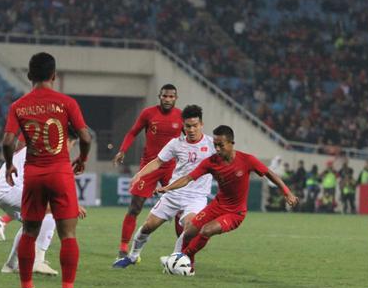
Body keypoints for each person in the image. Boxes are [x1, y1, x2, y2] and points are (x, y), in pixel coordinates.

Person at [2, 52, 91, 288]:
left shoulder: (18, 106)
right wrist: (82, 160)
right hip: (60, 171)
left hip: (34, 173)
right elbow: (85, 137)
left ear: (30, 76)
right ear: (54, 76)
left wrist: (9, 165)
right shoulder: (67, 102)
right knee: (68, 234)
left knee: (30, 231)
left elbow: (8, 141)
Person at [156, 125, 299, 275]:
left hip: (235, 213)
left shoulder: (247, 160)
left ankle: (181, 259)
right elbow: (187, 178)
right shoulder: (210, 162)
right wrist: (167, 188)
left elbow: (269, 173)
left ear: (231, 143)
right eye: (215, 145)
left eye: (221, 145)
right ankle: (188, 265)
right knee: (190, 231)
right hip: (217, 205)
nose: (217, 149)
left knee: (207, 230)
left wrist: (287, 192)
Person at [112, 104, 215, 268]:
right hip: (173, 194)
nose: (191, 130)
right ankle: (132, 256)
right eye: (188, 126)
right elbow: (158, 161)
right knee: (147, 227)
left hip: (196, 198)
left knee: (190, 227)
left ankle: (175, 259)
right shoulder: (176, 143)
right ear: (183, 126)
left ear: (201, 125)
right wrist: (139, 174)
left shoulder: (212, 144)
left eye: (195, 126)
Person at [0, 131, 86, 276]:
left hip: (0, 189)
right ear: (67, 141)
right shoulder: (52, 152)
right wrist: (71, 205)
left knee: (30, 224)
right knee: (52, 211)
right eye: (72, 144)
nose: (71, 148)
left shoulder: (41, 145)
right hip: (10, 190)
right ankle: (38, 261)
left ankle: (10, 266)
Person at [112, 84, 183, 262]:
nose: (167, 99)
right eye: (165, 96)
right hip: (149, 166)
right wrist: (122, 150)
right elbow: (132, 132)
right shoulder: (148, 113)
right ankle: (123, 247)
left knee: (179, 210)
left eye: (171, 97)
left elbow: (192, 138)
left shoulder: (181, 116)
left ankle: (181, 251)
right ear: (159, 96)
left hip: (171, 168)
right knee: (135, 207)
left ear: (176, 98)